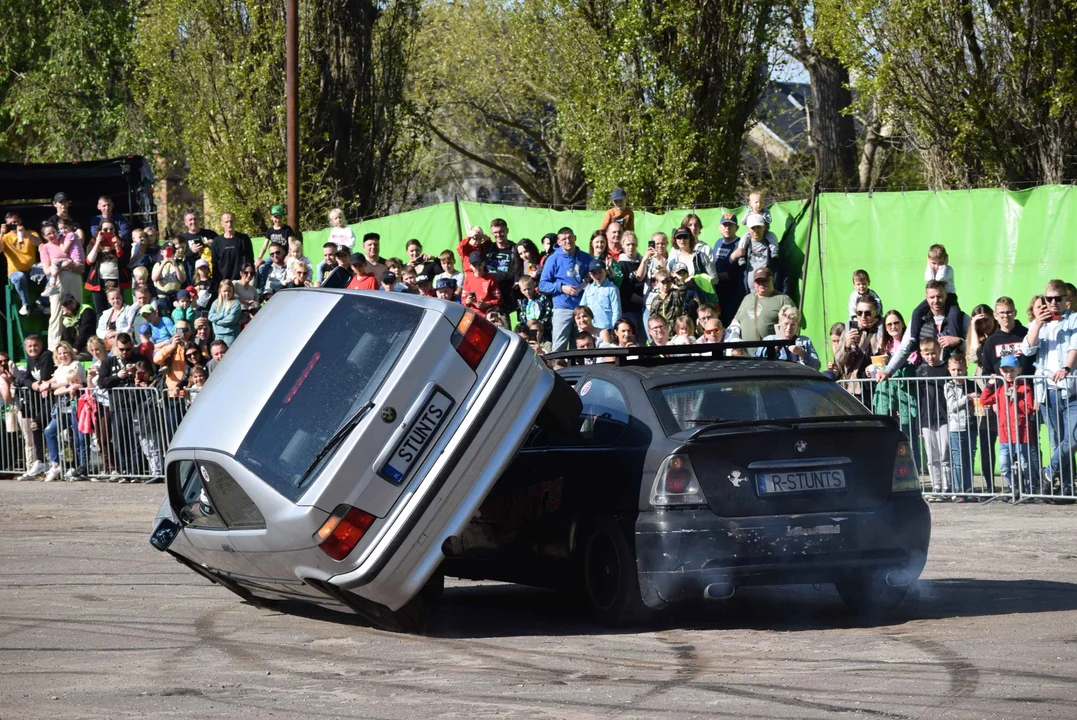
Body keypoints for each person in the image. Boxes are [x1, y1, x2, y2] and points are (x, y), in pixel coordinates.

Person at [1019, 279, 1077, 499]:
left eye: (1057, 299)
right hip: (1047, 391)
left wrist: (1065, 368)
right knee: (1056, 440)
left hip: (1070, 390)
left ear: (1066, 300)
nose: (1053, 303)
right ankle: (1066, 486)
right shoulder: (1039, 323)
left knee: (1072, 439)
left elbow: (1074, 347)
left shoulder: (1074, 320)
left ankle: (1048, 473)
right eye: (1048, 299)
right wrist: (1038, 325)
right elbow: (1027, 349)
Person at [877, 281, 968, 380]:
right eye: (932, 297)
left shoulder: (961, 318)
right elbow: (905, 348)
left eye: (939, 296)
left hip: (955, 379)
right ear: (926, 298)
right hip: (926, 379)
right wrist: (888, 371)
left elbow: (974, 347)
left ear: (946, 295)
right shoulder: (918, 320)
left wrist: (960, 341)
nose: (936, 301)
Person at [980, 355, 1040, 497]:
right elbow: (984, 400)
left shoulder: (1025, 388)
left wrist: (1016, 398)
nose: (1008, 374)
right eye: (1005, 371)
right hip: (1005, 435)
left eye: (1011, 370)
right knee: (1005, 465)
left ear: (1019, 370)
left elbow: (1028, 408)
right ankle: (1015, 488)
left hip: (1022, 434)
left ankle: (1030, 488)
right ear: (1000, 372)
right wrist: (990, 384)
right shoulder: (1000, 389)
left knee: (1025, 464)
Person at [40, 341, 88, 482]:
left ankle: (81, 467)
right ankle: (56, 464)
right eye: (60, 353)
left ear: (70, 353)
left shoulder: (75, 365)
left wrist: (49, 385)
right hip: (62, 407)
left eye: (65, 352)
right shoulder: (60, 367)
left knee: (78, 438)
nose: (62, 355)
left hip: (76, 405)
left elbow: (68, 382)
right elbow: (55, 379)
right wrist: (43, 384)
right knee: (50, 431)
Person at [539, 227, 592, 351]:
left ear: (575, 238)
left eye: (570, 238)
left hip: (582, 308)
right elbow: (542, 285)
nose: (568, 241)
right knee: (559, 346)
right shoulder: (553, 259)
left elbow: (593, 277)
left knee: (581, 346)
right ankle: (558, 369)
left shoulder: (586, 258)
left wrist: (586, 283)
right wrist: (562, 288)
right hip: (562, 308)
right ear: (559, 242)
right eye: (564, 239)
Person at [12, 335, 54, 480]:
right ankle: (41, 462)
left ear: (41, 345)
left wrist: (40, 383)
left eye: (35, 345)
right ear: (25, 348)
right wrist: (33, 385)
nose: (33, 348)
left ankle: (50, 463)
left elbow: (44, 374)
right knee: (36, 427)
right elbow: (28, 378)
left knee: (38, 425)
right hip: (40, 399)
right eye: (29, 346)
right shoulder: (30, 360)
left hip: (51, 399)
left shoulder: (46, 355)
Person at [38, 223, 85, 350]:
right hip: (59, 280)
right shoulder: (45, 248)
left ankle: (79, 345)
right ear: (44, 236)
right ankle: (54, 348)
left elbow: (78, 259)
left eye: (54, 231)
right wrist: (63, 266)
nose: (53, 235)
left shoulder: (66, 241)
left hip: (74, 276)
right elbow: (47, 270)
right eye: (49, 234)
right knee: (57, 312)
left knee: (78, 309)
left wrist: (73, 265)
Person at [916, 337, 952, 499]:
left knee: (945, 452)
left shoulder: (946, 369)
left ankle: (947, 485)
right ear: (922, 354)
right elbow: (918, 397)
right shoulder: (920, 371)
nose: (931, 357)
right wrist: (919, 422)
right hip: (927, 418)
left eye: (933, 353)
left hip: (944, 416)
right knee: (932, 455)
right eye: (927, 354)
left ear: (939, 351)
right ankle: (936, 485)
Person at [834, 295, 885, 405]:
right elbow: (838, 361)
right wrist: (846, 346)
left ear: (876, 312)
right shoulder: (849, 331)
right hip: (854, 387)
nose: (863, 316)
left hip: (879, 387)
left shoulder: (882, 330)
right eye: (859, 312)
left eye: (867, 313)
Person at [944, 353, 977, 499]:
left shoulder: (971, 384)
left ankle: (968, 488)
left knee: (969, 458)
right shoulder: (948, 385)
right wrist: (967, 398)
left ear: (965, 369)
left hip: (971, 425)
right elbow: (951, 407)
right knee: (958, 460)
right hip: (956, 427)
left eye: (960, 370)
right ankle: (958, 490)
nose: (957, 373)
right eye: (954, 370)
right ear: (949, 370)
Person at [731, 268, 795, 342]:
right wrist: (734, 338)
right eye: (758, 281)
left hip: (772, 350)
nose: (761, 283)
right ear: (754, 283)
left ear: (772, 280)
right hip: (745, 351)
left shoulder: (783, 299)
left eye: (765, 280)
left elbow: (792, 324)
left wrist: (779, 345)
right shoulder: (747, 298)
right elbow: (736, 321)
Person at [731, 213, 782, 294]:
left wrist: (783, 293)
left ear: (764, 227)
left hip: (769, 294)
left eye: (758, 227)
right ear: (748, 229)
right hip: (747, 295)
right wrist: (732, 258)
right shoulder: (742, 246)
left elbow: (783, 272)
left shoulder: (774, 247)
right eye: (753, 228)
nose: (756, 230)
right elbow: (732, 270)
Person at [2, 212, 41, 316]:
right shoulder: (5, 237)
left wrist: (26, 234)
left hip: (32, 272)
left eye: (16, 221)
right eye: (11, 223)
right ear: (7, 225)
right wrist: (1, 233)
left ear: (20, 221)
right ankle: (26, 304)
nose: (14, 224)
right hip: (15, 272)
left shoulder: (31, 233)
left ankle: (44, 303)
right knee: (19, 277)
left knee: (48, 271)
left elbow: (40, 244)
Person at [711, 212, 746, 327]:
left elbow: (736, 272)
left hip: (733, 293)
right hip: (718, 292)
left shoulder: (740, 244)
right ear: (719, 227)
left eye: (730, 225)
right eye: (724, 225)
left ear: (737, 227)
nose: (727, 228)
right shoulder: (718, 243)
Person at [580, 260, 621, 335]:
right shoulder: (588, 289)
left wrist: (614, 329)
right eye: (594, 273)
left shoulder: (612, 289)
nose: (597, 276)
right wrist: (581, 327)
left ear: (605, 272)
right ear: (590, 274)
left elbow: (616, 311)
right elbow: (582, 309)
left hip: (607, 328)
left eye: (600, 272)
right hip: (591, 329)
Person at [212, 212, 254, 283]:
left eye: (231, 221)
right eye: (226, 222)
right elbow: (214, 264)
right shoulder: (217, 241)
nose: (229, 224)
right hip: (224, 283)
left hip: (241, 282)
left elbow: (249, 260)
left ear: (235, 221)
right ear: (222, 223)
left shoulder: (244, 239)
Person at [151, 240, 187, 314]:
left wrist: (175, 265)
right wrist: (163, 263)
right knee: (164, 315)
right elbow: (154, 278)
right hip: (163, 295)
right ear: (162, 252)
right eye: (168, 250)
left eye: (172, 251)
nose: (170, 253)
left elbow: (182, 279)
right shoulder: (158, 264)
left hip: (176, 295)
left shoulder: (179, 265)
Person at [462, 251, 501, 317]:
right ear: (470, 266)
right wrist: (467, 301)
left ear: (484, 263)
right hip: (472, 314)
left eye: (479, 264)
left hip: (489, 312)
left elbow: (499, 300)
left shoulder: (491, 279)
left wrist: (486, 304)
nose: (477, 267)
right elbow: (463, 300)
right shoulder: (467, 279)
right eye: (474, 265)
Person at [58, 294, 97, 358]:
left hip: (90, 347)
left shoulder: (86, 310)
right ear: (62, 308)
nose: (69, 306)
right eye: (66, 305)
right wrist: (68, 350)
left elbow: (85, 332)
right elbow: (66, 338)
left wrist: (75, 349)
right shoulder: (65, 319)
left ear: (75, 301)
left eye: (70, 302)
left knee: (72, 359)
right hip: (75, 350)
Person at [208, 279, 242, 346]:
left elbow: (231, 319)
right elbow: (210, 316)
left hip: (231, 335)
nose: (227, 293)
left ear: (233, 291)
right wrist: (223, 315)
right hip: (218, 335)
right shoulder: (216, 303)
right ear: (220, 291)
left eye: (229, 291)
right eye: (224, 291)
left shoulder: (236, 303)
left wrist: (217, 322)